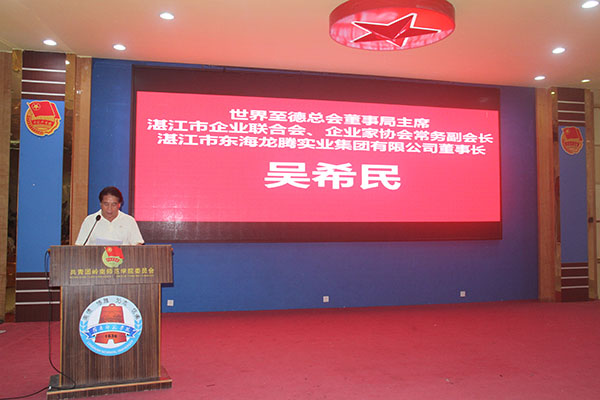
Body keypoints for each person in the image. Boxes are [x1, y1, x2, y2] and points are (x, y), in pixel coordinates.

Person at [75, 186, 144, 245]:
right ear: (100, 204)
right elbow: (80, 245)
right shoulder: (90, 220)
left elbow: (137, 245)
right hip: (94, 257)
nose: (109, 209)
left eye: (114, 204)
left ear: (119, 204)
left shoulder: (129, 221)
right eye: (106, 204)